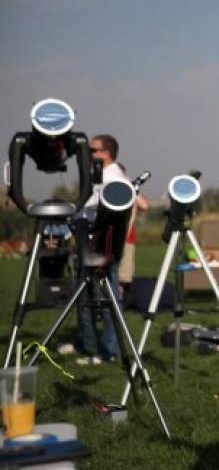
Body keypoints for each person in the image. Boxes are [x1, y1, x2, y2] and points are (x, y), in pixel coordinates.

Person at [59, 134, 127, 364]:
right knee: (84, 294)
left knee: (107, 298)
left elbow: (105, 213)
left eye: (93, 150)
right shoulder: (98, 176)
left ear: (107, 153)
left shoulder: (114, 178)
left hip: (102, 245)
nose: (89, 154)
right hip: (86, 239)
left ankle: (108, 351)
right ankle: (87, 343)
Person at [116, 162, 149, 297]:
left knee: (124, 273)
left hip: (127, 238)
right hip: (110, 236)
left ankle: (119, 299)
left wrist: (132, 188)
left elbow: (144, 205)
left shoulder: (131, 189)